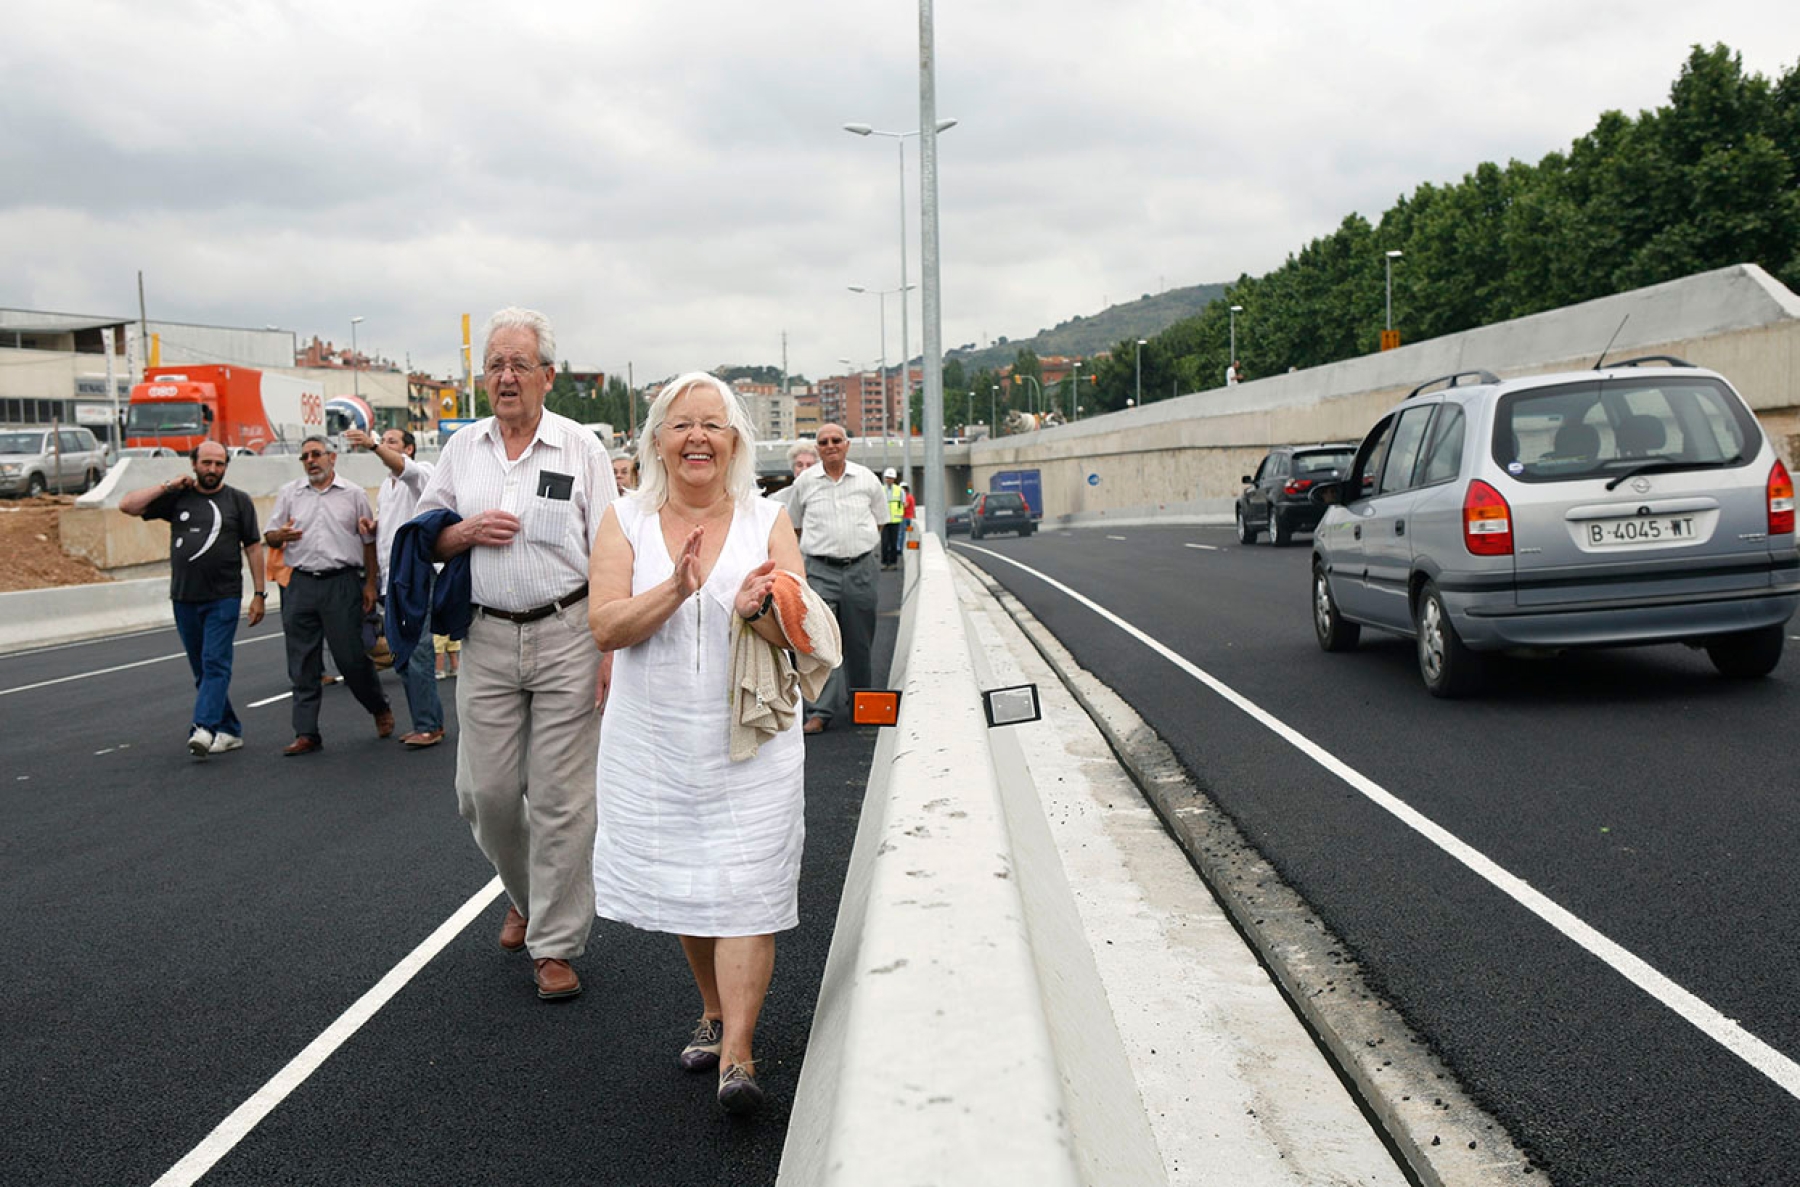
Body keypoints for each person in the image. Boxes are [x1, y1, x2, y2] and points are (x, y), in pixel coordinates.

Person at [588, 372, 827, 1115]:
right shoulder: (623, 518)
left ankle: (738, 1052)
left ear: (734, 442)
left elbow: (800, 627)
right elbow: (606, 626)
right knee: (689, 883)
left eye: (713, 425)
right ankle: (714, 1007)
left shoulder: (769, 518)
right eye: (682, 424)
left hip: (750, 741)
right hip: (655, 741)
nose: (698, 437)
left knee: (748, 887)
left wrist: (761, 607)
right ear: (657, 438)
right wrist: (678, 588)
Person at [414, 306, 618, 1002]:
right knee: (485, 793)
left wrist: (611, 644)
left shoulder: (580, 449)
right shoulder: (462, 450)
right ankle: (527, 891)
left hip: (568, 633)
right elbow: (428, 538)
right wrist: (463, 531)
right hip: (487, 635)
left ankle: (555, 945)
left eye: (518, 364)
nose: (505, 376)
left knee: (562, 799)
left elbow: (613, 553)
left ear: (546, 376)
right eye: (495, 365)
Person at [119, 441, 266, 757]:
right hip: (184, 598)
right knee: (202, 669)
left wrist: (259, 594)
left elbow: (253, 547)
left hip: (223, 597)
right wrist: (169, 485)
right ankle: (230, 729)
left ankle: (204, 727)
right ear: (194, 464)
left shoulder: (238, 501)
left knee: (215, 662)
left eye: (219, 464)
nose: (213, 469)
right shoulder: (178, 498)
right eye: (207, 463)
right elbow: (127, 506)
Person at [264, 436, 393, 756]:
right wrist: (281, 536)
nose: (311, 461)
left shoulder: (353, 495)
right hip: (302, 584)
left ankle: (378, 706)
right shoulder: (289, 494)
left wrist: (369, 585)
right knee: (302, 661)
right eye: (305, 456)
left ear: (332, 458)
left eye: (317, 454)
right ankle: (306, 732)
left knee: (350, 657)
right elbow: (270, 535)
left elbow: (368, 542)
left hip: (342, 583)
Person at [346, 426, 444, 748]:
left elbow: (405, 469)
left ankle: (430, 725)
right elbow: (388, 534)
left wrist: (372, 444)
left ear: (409, 449)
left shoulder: (420, 475)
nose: (384, 447)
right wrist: (373, 529)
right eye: (383, 441)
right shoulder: (386, 489)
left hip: (415, 575)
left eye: (392, 442)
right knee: (400, 653)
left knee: (418, 649)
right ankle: (422, 721)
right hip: (391, 579)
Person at [786, 422, 884, 734]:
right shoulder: (806, 484)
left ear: (847, 445)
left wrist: (855, 548)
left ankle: (862, 703)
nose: (830, 446)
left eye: (836, 440)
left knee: (859, 640)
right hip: (820, 570)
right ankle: (819, 712)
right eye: (824, 442)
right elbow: (796, 526)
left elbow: (880, 521)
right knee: (820, 639)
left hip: (860, 570)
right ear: (817, 448)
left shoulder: (866, 479)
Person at [770, 441, 818, 521]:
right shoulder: (777, 499)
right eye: (799, 465)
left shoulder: (826, 495)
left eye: (809, 465)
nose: (804, 470)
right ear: (793, 467)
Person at [879, 467, 905, 569]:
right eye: (887, 478)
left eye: (890, 478)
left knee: (893, 543)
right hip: (884, 520)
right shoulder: (881, 490)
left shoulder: (899, 491)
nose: (888, 480)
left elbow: (903, 503)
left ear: (894, 479)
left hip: (895, 520)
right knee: (884, 543)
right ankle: (885, 563)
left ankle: (893, 563)